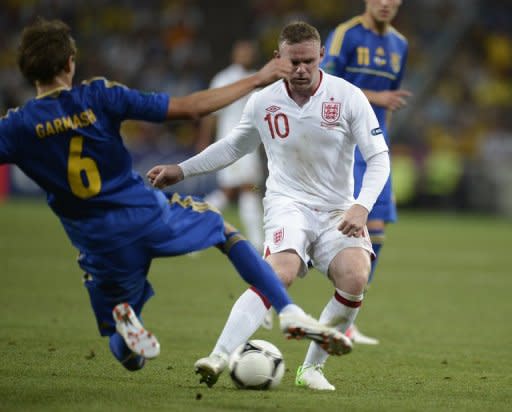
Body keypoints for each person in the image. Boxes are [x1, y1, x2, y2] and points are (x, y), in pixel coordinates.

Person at [0, 18, 348, 373]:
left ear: (26, 71)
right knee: (224, 233)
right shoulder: (99, 95)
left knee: (128, 357)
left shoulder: (15, 128)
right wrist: (259, 78)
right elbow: (191, 108)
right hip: (145, 213)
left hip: (96, 242)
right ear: (70, 62)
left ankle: (126, 322)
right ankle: (288, 310)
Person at [147, 21, 390, 390]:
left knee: (356, 278)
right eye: (294, 61)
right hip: (287, 202)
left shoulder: (348, 96)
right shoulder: (264, 100)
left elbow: (379, 158)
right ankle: (218, 355)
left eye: (309, 60)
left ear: (322, 55)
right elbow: (232, 146)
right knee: (281, 272)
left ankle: (311, 369)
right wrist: (181, 170)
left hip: (338, 209)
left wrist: (362, 206)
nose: (302, 69)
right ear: (279, 59)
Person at [320, 0, 411, 345]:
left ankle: (346, 316)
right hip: (344, 144)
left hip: (376, 146)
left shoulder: (399, 44)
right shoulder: (346, 35)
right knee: (358, 226)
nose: (386, 3)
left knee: (378, 228)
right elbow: (325, 82)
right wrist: (377, 96)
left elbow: (392, 99)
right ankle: (339, 311)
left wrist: (385, 139)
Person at [196, 40, 265, 252]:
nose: (246, 55)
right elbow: (210, 111)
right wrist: (204, 139)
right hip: (231, 142)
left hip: (249, 145)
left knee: (244, 190)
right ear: (235, 55)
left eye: (249, 51)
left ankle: (193, 233)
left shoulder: (257, 78)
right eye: (242, 51)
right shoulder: (224, 78)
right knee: (241, 190)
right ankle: (194, 231)